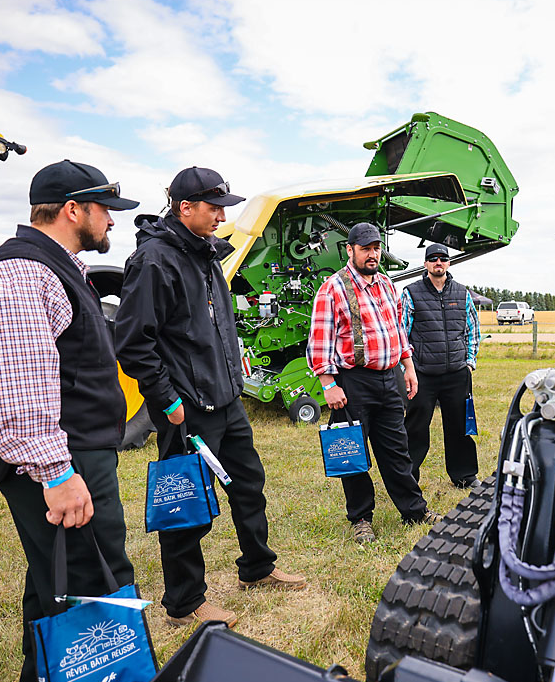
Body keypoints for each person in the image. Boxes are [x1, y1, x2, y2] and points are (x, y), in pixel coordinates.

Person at [0, 160, 140, 682]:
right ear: (73, 209)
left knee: (54, 586)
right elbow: (19, 385)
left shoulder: (56, 266)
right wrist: (57, 472)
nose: (112, 221)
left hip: (76, 455)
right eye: (105, 209)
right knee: (94, 590)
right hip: (64, 460)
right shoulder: (22, 271)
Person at [115, 166, 305, 629]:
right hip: (186, 409)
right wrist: (168, 400)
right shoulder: (156, 260)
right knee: (186, 505)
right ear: (185, 208)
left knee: (248, 484)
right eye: (214, 206)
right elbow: (134, 342)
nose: (223, 215)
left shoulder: (205, 255)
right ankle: (185, 602)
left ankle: (257, 568)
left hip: (226, 398)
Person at [307, 222, 442, 544]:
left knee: (397, 450)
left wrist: (408, 367)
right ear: (350, 249)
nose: (373, 254)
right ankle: (361, 518)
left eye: (376, 248)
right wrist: (329, 385)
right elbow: (319, 341)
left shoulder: (384, 283)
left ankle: (414, 510)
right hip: (352, 382)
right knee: (352, 454)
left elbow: (397, 331)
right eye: (366, 248)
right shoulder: (333, 288)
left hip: (388, 377)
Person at [399, 243, 480, 488]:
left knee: (460, 427)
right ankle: (408, 478)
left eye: (442, 259)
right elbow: (401, 332)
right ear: (425, 264)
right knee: (415, 428)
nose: (438, 263)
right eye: (432, 259)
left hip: (457, 373)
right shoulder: (411, 293)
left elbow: (472, 329)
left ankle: (464, 475)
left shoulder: (462, 293)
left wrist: (469, 362)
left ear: (448, 263)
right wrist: (407, 368)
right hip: (423, 373)